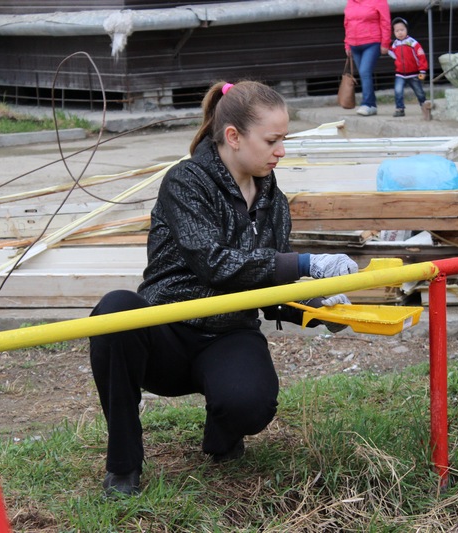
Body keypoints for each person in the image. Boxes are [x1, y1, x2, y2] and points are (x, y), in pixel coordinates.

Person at [89, 80, 360, 497]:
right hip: (167, 329)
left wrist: (318, 308)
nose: (281, 151)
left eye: (283, 140)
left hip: (228, 333)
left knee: (250, 404)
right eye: (272, 140)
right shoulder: (185, 182)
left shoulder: (274, 200)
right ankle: (123, 465)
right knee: (114, 311)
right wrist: (307, 262)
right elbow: (213, 264)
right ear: (233, 137)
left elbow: (269, 282)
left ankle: (222, 437)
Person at [343, 0, 392, 117]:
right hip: (354, 44)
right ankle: (372, 105)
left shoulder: (379, 1)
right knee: (363, 73)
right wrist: (347, 44)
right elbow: (347, 23)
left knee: (365, 71)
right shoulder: (351, 2)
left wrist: (385, 42)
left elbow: (385, 21)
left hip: (372, 42)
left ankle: (367, 104)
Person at [388, 17, 431, 119]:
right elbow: (392, 53)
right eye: (397, 31)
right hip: (400, 73)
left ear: (406, 30)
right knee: (398, 90)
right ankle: (400, 109)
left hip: (414, 73)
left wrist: (422, 70)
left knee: (419, 91)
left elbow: (421, 56)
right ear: (394, 32)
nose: (400, 33)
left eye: (402, 30)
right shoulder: (395, 44)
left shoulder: (413, 43)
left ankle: (424, 107)